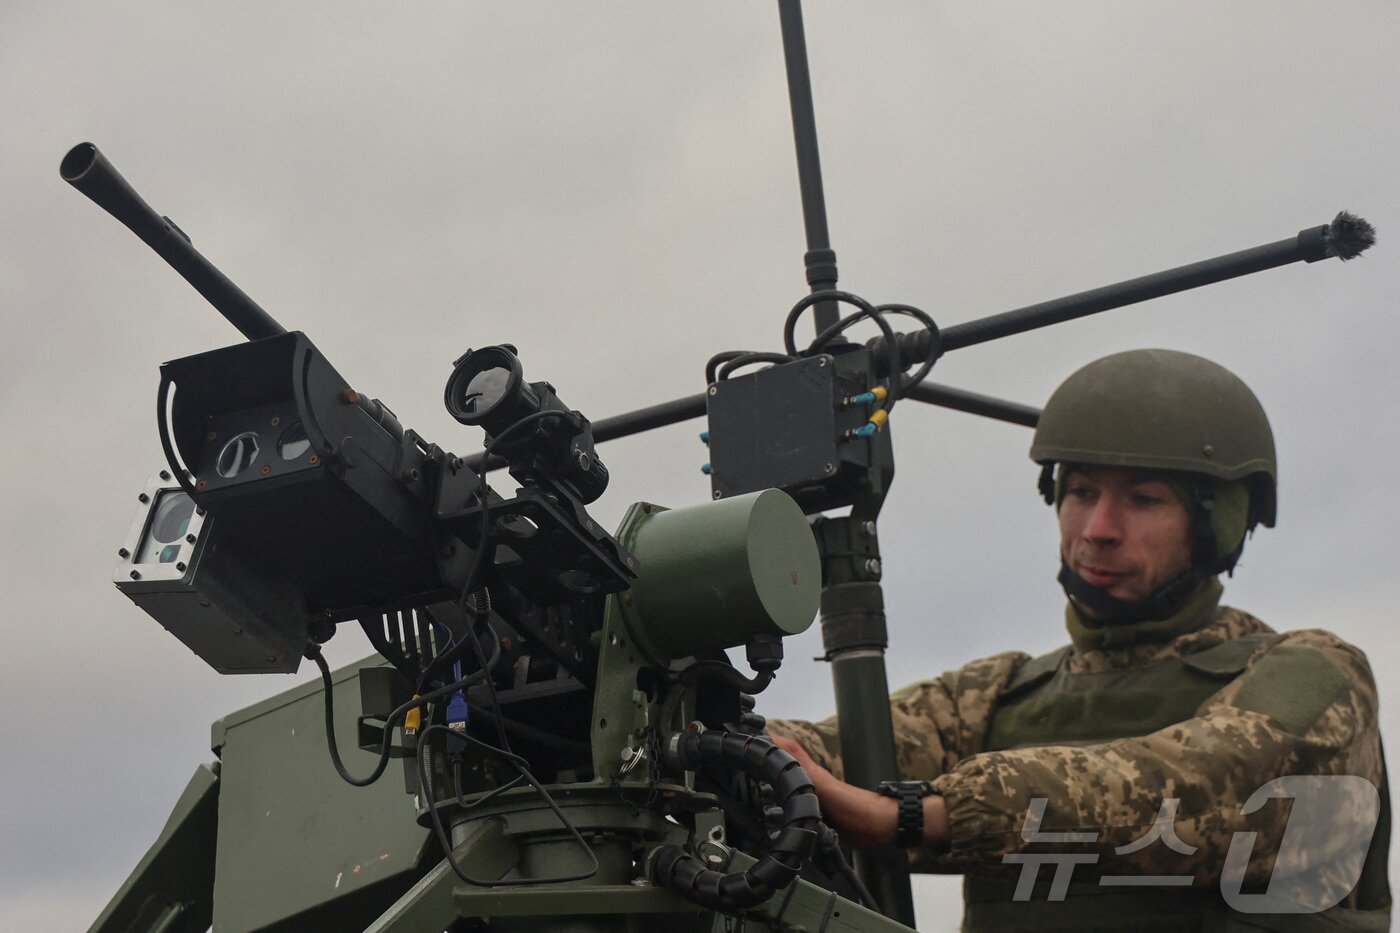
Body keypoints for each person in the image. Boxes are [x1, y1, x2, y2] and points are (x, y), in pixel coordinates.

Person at [768, 349, 1391, 932]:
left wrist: (917, 814)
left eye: (1144, 500)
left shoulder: (1318, 676)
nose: (1098, 530)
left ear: (1216, 523)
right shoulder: (991, 697)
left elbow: (1204, 785)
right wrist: (734, 744)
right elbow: (829, 755)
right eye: (1082, 493)